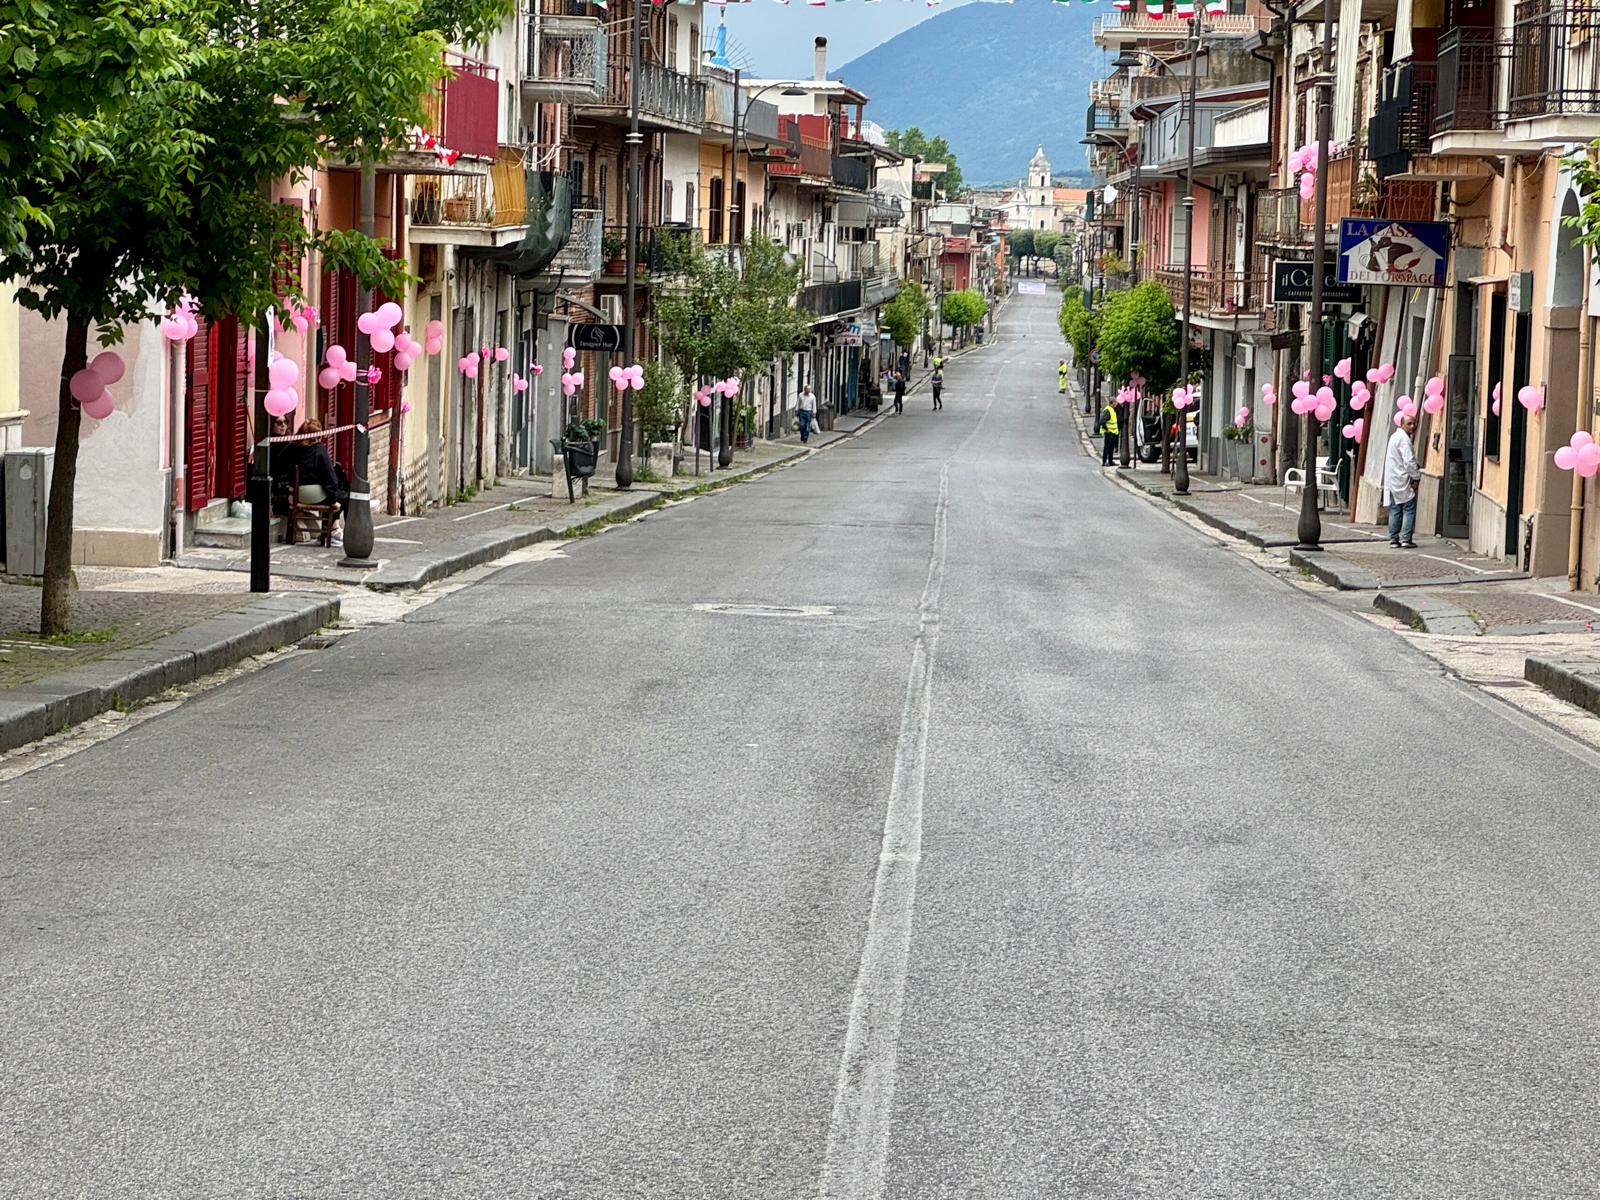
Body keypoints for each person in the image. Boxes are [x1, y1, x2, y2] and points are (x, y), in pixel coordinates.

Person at [1384, 411, 1421, 548]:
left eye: (1414, 423)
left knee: (1395, 509)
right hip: (1402, 478)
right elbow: (1409, 461)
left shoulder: (1394, 437)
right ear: (1402, 424)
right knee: (1408, 509)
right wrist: (1416, 477)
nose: (1412, 426)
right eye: (1409, 424)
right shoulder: (1404, 439)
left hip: (1393, 478)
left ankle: (1393, 539)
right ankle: (1406, 538)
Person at [1097, 401, 1119, 466]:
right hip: (1109, 432)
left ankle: (1110, 461)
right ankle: (1104, 461)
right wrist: (1107, 429)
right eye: (1115, 403)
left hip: (1113, 432)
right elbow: (1102, 421)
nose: (1116, 404)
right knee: (1107, 447)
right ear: (1111, 403)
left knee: (1111, 448)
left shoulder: (1112, 410)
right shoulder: (1107, 410)